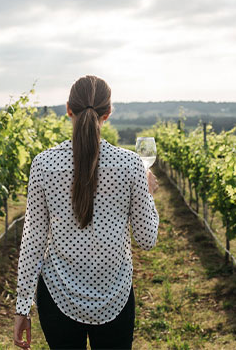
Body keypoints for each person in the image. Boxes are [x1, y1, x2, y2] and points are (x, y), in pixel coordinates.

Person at [13, 75, 159, 350]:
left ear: (68, 109)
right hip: (114, 298)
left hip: (57, 298)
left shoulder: (43, 164)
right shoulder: (131, 165)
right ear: (109, 113)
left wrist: (23, 307)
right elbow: (147, 239)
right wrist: (147, 194)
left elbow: (33, 239)